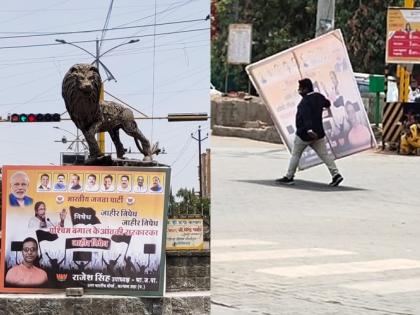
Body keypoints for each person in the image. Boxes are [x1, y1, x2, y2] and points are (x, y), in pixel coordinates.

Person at [277, 78, 344, 186]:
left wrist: (309, 130)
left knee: (296, 155)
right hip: (319, 134)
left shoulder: (304, 103)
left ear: (305, 89)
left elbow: (306, 117)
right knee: (325, 155)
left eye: (300, 89)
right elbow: (327, 104)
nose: (299, 91)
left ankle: (289, 177)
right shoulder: (319, 97)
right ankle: (336, 174)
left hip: (304, 135)